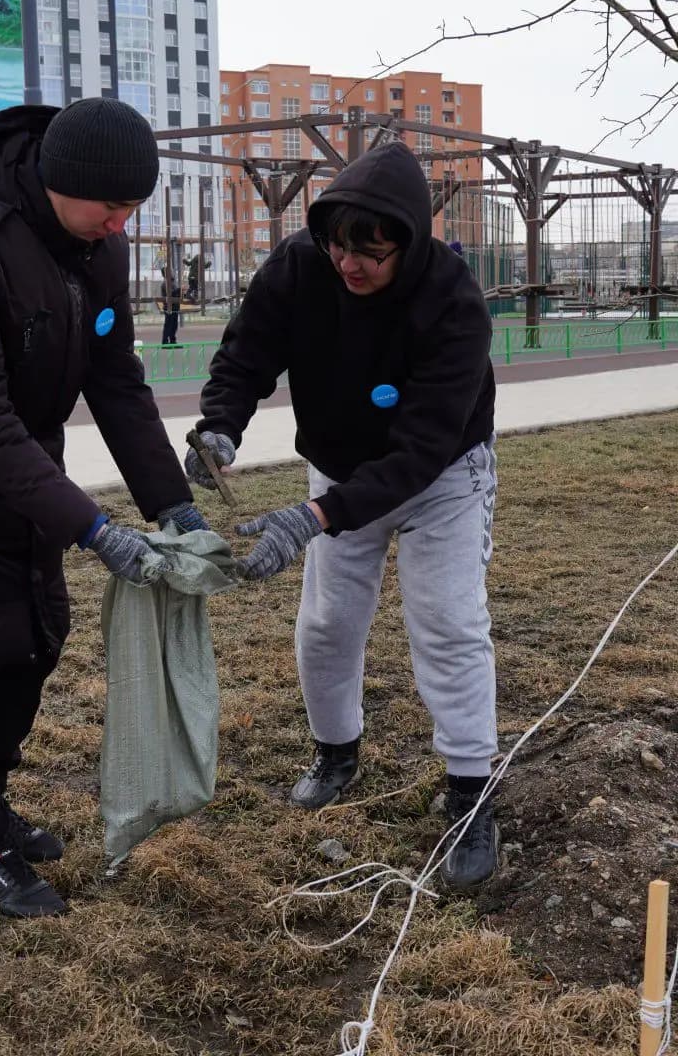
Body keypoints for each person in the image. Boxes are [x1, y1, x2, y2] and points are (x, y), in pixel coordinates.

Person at [185, 140, 499, 891]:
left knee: (448, 622)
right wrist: (220, 422)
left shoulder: (453, 303)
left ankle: (469, 792)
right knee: (327, 622)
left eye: (371, 252)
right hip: (337, 463)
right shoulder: (301, 267)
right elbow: (246, 353)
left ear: (411, 243)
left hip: (443, 477)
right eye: (337, 246)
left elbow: (422, 449)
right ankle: (335, 751)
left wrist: (315, 516)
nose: (349, 266)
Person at [0, 98, 208, 919]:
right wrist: (93, 528)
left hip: (30, 478)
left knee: (35, 642)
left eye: (134, 206)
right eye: (113, 205)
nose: (122, 222)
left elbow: (116, 383)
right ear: (61, 181)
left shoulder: (97, 247)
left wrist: (173, 508)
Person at [158, 266, 182, 345]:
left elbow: (175, 293)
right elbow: (170, 293)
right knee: (168, 324)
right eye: (170, 272)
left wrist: (181, 292)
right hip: (169, 307)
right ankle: (165, 341)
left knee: (174, 325)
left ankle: (172, 340)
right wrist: (179, 290)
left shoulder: (172, 282)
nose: (172, 273)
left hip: (175, 306)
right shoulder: (165, 283)